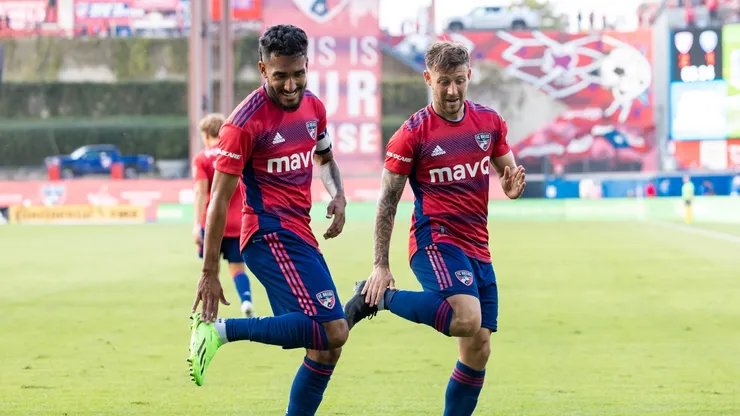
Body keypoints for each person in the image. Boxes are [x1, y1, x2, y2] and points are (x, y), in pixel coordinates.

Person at [343, 40, 527, 416]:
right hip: (434, 240)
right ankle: (378, 297)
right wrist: (381, 265)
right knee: (466, 319)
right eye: (444, 82)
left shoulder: (489, 122)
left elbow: (508, 171)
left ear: (469, 75)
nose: (453, 91)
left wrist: (511, 188)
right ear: (428, 79)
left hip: (477, 246)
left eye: (459, 80)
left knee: (478, 349)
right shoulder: (412, 135)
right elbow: (387, 202)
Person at [188, 24, 349, 416]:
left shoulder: (314, 108)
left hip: (299, 233)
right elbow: (218, 200)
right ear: (263, 69)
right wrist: (210, 272)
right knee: (333, 330)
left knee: (323, 348)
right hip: (268, 233)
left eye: (298, 73)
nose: (291, 85)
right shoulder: (243, 123)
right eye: (280, 76)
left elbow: (325, 158)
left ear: (307, 65)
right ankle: (219, 331)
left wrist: (338, 194)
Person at [192, 113, 255, 317]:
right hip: (238, 221)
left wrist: (196, 225)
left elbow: (201, 192)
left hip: (213, 222)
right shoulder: (236, 154)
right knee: (237, 267)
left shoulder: (202, 158)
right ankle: (246, 300)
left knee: (211, 269)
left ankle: (210, 313)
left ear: (206, 135)